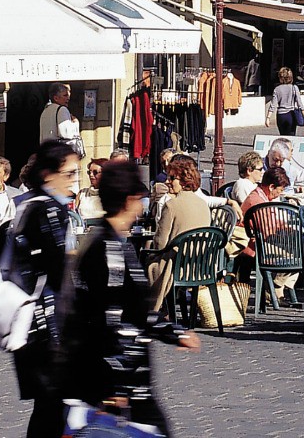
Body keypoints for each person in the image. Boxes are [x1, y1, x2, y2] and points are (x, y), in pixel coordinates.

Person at [57, 159, 199, 435]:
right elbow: (111, 319)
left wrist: (174, 332)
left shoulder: (106, 242)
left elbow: (132, 310)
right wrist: (114, 385)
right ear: (130, 200)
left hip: (121, 376)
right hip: (120, 377)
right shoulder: (110, 250)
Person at [13, 139, 81, 438]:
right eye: (69, 174)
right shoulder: (50, 211)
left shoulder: (27, 205)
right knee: (53, 408)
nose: (73, 181)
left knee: (48, 408)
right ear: (47, 175)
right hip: (47, 326)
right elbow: (57, 271)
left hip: (32, 323)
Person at [146, 155, 211, 311]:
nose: (168, 181)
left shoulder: (171, 205)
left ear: (183, 180)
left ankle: (154, 309)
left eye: (172, 178)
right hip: (200, 264)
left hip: (177, 266)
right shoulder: (203, 204)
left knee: (148, 262)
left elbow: (160, 243)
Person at [38, 83, 82, 155]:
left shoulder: (45, 111)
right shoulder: (62, 109)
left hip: (46, 151)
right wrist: (75, 124)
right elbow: (66, 134)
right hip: (59, 153)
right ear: (56, 98)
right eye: (65, 95)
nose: (68, 98)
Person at [269, 67, 304, 136]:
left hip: (280, 115)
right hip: (291, 114)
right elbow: (300, 103)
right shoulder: (294, 87)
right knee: (291, 137)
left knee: (283, 136)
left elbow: (273, 105)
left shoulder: (277, 89)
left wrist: (268, 118)